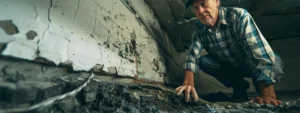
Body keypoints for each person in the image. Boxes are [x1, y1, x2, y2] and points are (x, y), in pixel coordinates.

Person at [175, 0, 284, 106]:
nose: (201, 11)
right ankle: (239, 87)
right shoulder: (199, 28)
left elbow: (261, 54)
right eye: (195, 7)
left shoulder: (238, 16)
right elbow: (192, 55)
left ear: (217, 2)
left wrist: (267, 93)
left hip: (251, 64)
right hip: (229, 66)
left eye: (204, 3)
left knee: (275, 61)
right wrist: (188, 83)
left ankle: (261, 87)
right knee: (204, 61)